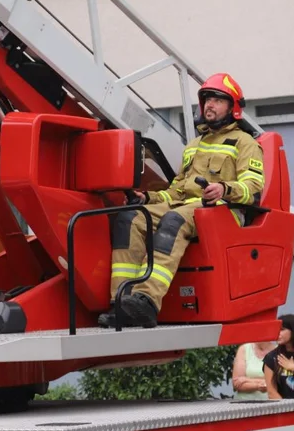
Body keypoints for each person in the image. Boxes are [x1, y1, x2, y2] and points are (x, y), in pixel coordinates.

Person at [99, 73, 264, 329]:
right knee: (131, 217)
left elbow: (253, 189)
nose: (209, 104)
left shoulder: (245, 143)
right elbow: (177, 192)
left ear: (233, 108)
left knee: (174, 220)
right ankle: (121, 302)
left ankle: (146, 301)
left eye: (218, 100)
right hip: (188, 206)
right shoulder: (194, 145)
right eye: (207, 99)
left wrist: (223, 189)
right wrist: (149, 198)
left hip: (223, 210)